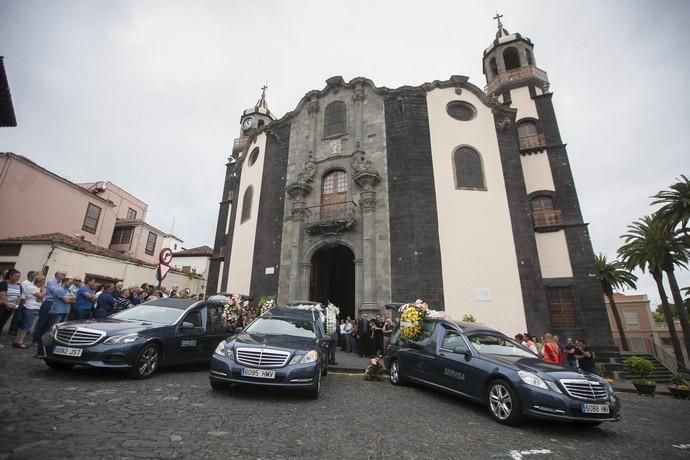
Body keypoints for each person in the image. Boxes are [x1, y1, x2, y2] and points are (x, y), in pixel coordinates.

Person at [38, 277, 74, 357]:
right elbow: (67, 300)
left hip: (65, 311)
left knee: (59, 329)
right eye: (70, 283)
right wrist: (70, 299)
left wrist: (70, 299)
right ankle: (44, 346)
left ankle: (54, 345)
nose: (71, 284)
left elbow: (74, 299)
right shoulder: (59, 290)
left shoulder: (68, 290)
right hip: (57, 312)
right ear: (64, 282)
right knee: (52, 329)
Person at [33, 270, 66, 346]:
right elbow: (56, 292)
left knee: (50, 323)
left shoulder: (61, 283)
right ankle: (36, 339)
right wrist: (63, 292)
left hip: (56, 304)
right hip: (49, 302)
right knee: (42, 321)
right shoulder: (51, 282)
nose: (64, 276)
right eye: (63, 274)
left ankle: (43, 339)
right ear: (57, 274)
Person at [14, 274, 45, 349]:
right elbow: (41, 297)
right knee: (25, 326)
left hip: (34, 308)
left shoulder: (37, 288)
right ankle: (20, 342)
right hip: (29, 308)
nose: (43, 284)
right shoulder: (32, 288)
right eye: (43, 282)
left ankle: (17, 341)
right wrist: (43, 291)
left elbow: (40, 299)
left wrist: (41, 295)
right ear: (39, 281)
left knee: (24, 325)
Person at [10, 270, 36, 336]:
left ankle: (18, 329)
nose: (36, 276)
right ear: (30, 275)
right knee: (17, 315)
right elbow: (26, 292)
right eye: (34, 275)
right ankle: (13, 329)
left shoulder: (32, 283)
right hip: (22, 299)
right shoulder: (25, 283)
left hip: (27, 300)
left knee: (22, 316)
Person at [0, 269, 23, 335]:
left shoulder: (19, 285)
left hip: (11, 308)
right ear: (10, 276)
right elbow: (3, 296)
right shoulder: (3, 284)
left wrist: (16, 306)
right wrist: (7, 305)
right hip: (2, 306)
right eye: (16, 276)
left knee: (2, 323)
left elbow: (19, 296)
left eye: (19, 277)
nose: (18, 278)